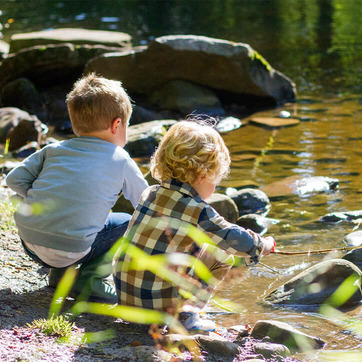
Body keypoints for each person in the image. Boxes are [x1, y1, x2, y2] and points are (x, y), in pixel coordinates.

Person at [113, 118, 275, 331]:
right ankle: (186, 316)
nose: (214, 188)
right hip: (156, 307)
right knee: (221, 255)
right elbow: (232, 237)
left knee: (189, 246)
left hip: (127, 297)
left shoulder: (149, 193)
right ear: (202, 175)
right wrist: (262, 245)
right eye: (215, 182)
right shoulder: (198, 210)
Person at [6, 73, 148, 303]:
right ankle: (89, 279)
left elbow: (13, 180)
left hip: (30, 242)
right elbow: (146, 203)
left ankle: (61, 274)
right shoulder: (121, 159)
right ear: (117, 124)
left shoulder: (54, 149)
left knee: (91, 219)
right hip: (73, 247)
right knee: (124, 221)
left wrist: (38, 198)